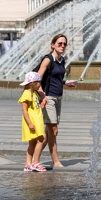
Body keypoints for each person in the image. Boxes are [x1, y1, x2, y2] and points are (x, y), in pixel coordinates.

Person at [37, 34, 77, 168]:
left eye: (64, 44)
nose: (62, 46)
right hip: (48, 98)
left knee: (49, 133)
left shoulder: (62, 60)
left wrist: (66, 82)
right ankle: (56, 162)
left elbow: (56, 78)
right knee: (53, 130)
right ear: (53, 45)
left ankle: (33, 160)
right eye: (59, 43)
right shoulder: (48, 60)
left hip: (58, 98)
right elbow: (37, 79)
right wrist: (42, 96)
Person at [18, 72, 47, 172]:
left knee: (33, 143)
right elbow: (24, 110)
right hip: (32, 121)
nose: (40, 84)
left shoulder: (34, 93)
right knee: (41, 139)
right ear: (32, 83)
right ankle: (36, 162)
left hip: (37, 120)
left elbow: (34, 107)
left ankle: (28, 164)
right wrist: (30, 123)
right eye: (38, 82)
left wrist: (41, 105)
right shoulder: (27, 93)